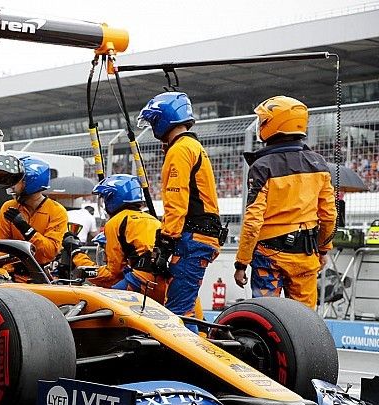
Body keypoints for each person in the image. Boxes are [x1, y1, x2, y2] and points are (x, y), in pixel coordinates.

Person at [234, 96, 336, 310]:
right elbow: (329, 215)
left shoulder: (262, 166)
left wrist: (241, 262)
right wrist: (323, 250)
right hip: (306, 253)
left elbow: (253, 221)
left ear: (273, 124)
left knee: (268, 314)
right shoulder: (319, 163)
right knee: (305, 318)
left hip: (269, 256)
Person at [137, 92, 223, 332]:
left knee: (178, 312)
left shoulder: (180, 149)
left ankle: (188, 355)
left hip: (191, 238)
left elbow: (176, 202)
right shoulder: (193, 146)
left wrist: (165, 241)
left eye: (154, 120)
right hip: (200, 237)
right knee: (185, 306)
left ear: (164, 118)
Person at [67, 175, 164, 298]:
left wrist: (76, 255)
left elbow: (113, 273)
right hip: (164, 282)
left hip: (140, 280)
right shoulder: (153, 220)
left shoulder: (116, 222)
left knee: (103, 300)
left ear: (113, 198)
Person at [0, 156, 68, 266]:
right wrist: (9, 271)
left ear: (31, 181)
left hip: (42, 273)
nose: (12, 185)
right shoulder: (8, 207)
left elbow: (51, 251)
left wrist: (25, 227)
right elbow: (0, 248)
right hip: (13, 273)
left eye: (16, 180)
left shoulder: (57, 211)